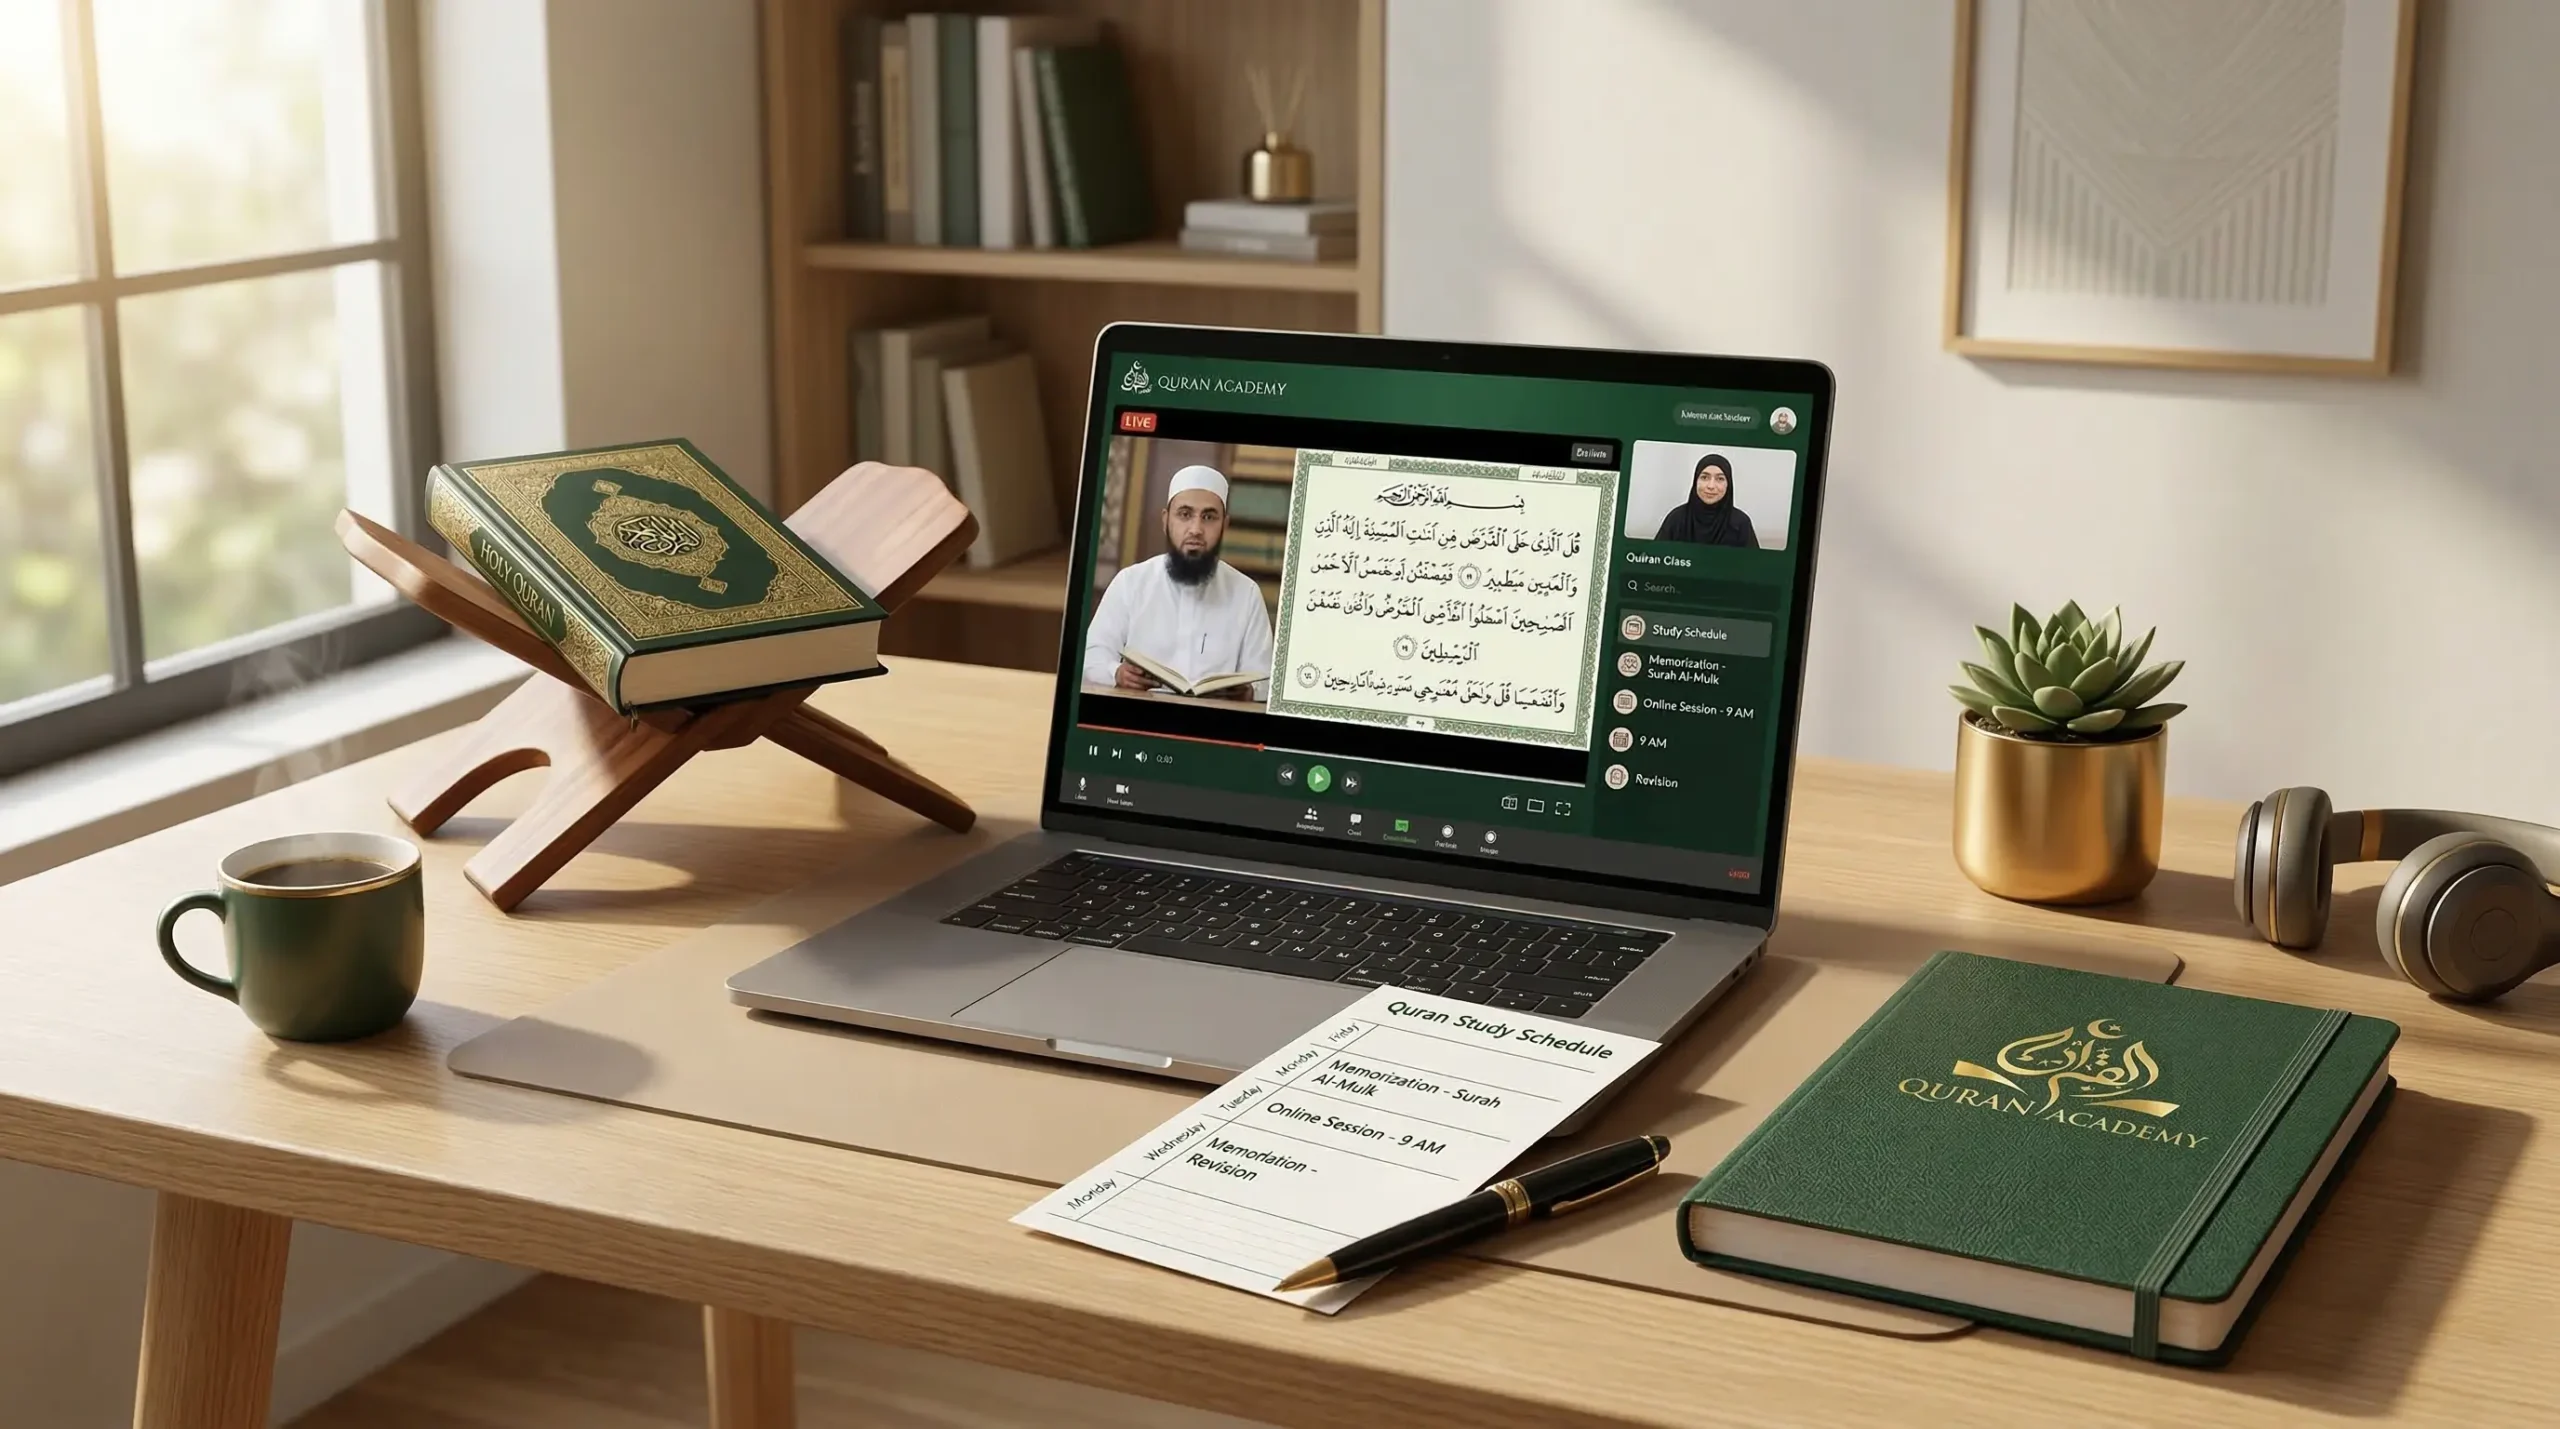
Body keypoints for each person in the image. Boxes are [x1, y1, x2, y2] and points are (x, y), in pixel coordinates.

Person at [1081, 465, 1274, 699]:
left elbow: (1265, 679)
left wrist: (1248, 692)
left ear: (1224, 525)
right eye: (1185, 514)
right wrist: (1117, 673)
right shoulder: (1131, 583)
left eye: (1209, 517)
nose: (1196, 529)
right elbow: (1090, 657)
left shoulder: (1247, 593)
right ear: (1166, 520)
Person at [1652, 452, 1760, 547]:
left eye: (1720, 479)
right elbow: (1656, 560)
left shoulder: (1740, 523)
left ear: (1729, 484)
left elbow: (1753, 566)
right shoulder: (1676, 519)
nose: (1711, 486)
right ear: (1695, 481)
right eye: (1704, 477)